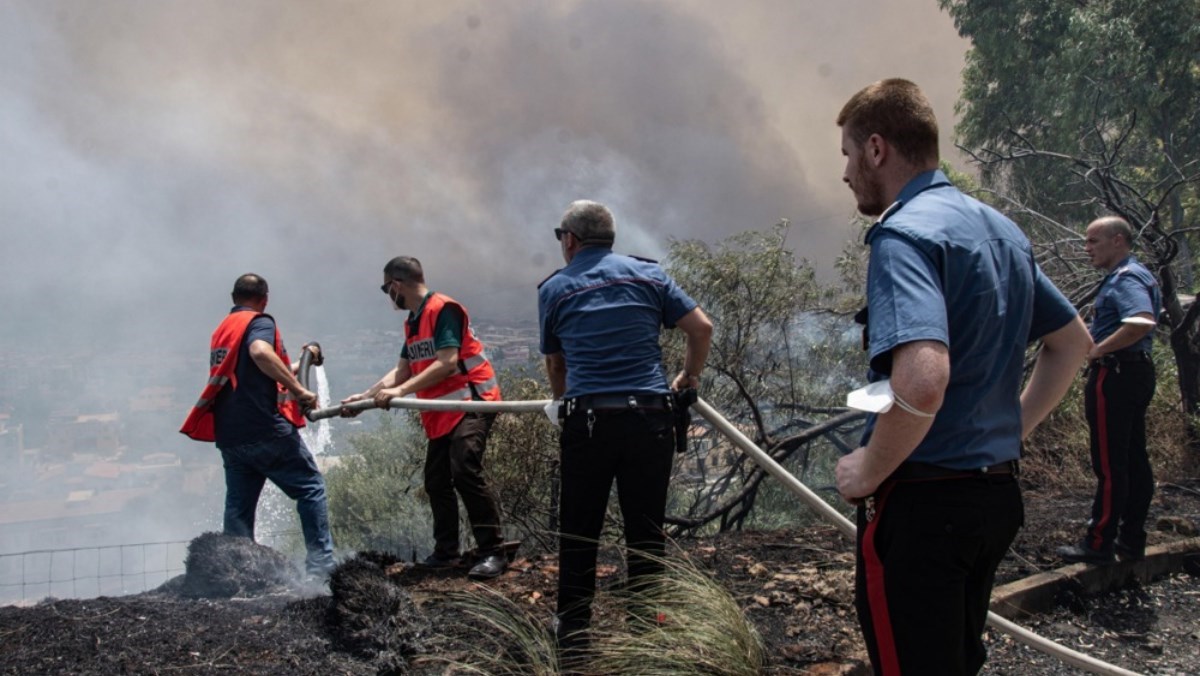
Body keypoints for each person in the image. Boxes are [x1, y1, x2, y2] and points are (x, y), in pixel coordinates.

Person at [833, 79, 1091, 675]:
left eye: (847, 154)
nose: (845, 173)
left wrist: (867, 470)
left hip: (924, 503)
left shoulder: (903, 234)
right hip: (995, 500)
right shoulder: (1000, 229)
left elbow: (923, 381)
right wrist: (1012, 430)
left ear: (876, 149)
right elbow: (1073, 342)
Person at [538, 200, 713, 656]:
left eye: (561, 237)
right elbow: (702, 328)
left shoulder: (555, 288)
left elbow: (557, 362)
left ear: (570, 240)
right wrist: (689, 377)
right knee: (645, 528)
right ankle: (647, 630)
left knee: (580, 529)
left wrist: (560, 402)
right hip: (649, 419)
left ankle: (574, 638)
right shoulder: (650, 276)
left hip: (589, 422)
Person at [341, 256, 508, 581]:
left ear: (396, 284)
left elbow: (447, 363)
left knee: (464, 469)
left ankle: (493, 551)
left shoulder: (443, 309)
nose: (387, 295)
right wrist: (365, 396)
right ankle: (447, 551)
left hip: (472, 402)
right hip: (443, 412)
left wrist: (401, 390)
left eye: (385, 288)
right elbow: (402, 370)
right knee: (436, 481)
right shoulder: (414, 321)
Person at [181, 273, 336, 578]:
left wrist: (302, 363)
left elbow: (253, 372)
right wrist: (302, 391)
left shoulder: (223, 330)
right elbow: (260, 353)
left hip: (231, 436)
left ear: (233, 297)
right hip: (265, 430)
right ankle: (322, 569)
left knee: (238, 512)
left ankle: (237, 573)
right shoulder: (259, 322)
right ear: (264, 298)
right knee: (310, 489)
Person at [1056, 216, 1161, 565]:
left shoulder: (1126, 278)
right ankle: (1131, 540)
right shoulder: (1136, 274)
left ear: (1118, 240)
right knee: (1133, 459)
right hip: (1135, 373)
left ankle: (1099, 543)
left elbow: (1141, 321)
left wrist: (1099, 349)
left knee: (1111, 464)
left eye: (1093, 241)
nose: (1087, 248)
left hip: (1115, 375)